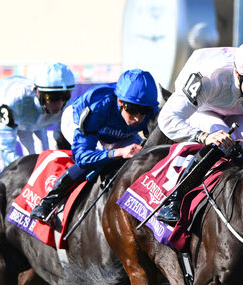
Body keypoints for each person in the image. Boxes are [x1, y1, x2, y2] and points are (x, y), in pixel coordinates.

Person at [154, 38, 243, 224]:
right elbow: (167, 119)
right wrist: (204, 137)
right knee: (222, 139)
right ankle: (174, 199)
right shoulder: (208, 78)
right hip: (202, 108)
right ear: (237, 73)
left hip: (236, 111)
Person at [29, 69, 159, 222]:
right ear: (120, 101)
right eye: (132, 110)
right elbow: (83, 157)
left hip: (120, 131)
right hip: (81, 123)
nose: (138, 118)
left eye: (144, 111)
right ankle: (48, 202)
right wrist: (117, 152)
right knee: (99, 159)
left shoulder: (151, 111)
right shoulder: (98, 107)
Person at [0, 62, 76, 173]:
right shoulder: (14, 103)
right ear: (39, 92)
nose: (59, 103)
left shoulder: (67, 107)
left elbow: (64, 143)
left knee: (43, 159)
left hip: (31, 113)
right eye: (53, 97)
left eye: (65, 96)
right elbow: (6, 149)